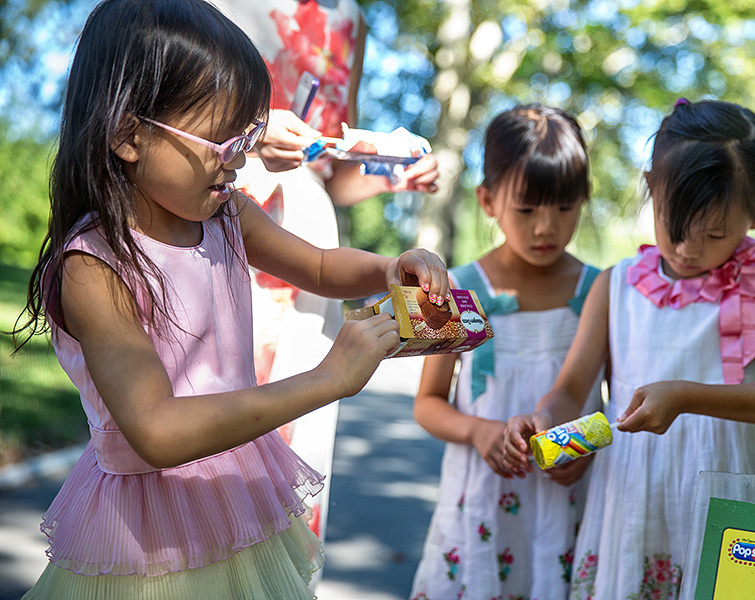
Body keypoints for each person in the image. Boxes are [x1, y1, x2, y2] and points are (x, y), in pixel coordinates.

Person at [10, 1, 449, 597]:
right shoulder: (95, 265)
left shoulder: (226, 213)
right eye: (223, 143)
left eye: (248, 137)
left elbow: (317, 265)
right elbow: (158, 431)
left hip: (237, 497)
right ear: (128, 135)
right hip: (148, 535)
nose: (241, 161)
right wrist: (330, 377)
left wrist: (388, 268)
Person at [504, 99, 755, 600]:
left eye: (715, 233)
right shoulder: (617, 285)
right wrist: (548, 424)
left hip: (728, 499)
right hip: (631, 502)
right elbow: (569, 389)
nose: (688, 249)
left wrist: (689, 397)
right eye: (674, 225)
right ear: (653, 187)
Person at [208, 0, 440, 557]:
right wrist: (251, 130)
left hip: (309, 233)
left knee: (300, 424)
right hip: (223, 195)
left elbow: (333, 174)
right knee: (219, 410)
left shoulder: (350, 19)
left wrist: (392, 177)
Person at [409, 104, 605, 600]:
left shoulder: (599, 291)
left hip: (572, 497)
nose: (546, 227)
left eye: (564, 208)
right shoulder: (457, 289)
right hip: (481, 500)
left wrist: (585, 449)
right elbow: (428, 403)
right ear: (488, 200)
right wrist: (480, 431)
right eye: (527, 209)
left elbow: (614, 401)